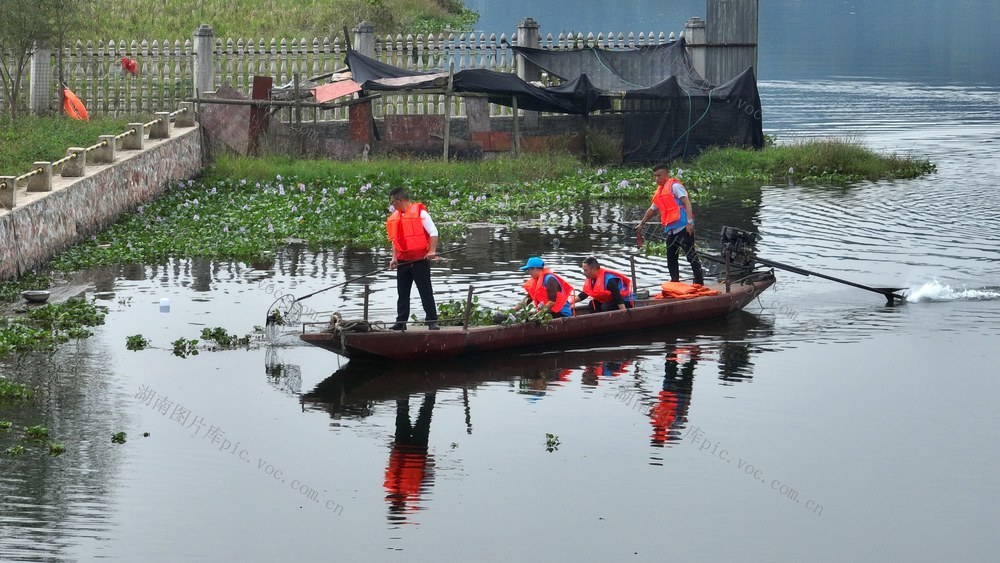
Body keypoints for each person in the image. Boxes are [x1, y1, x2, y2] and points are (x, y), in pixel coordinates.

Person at [637, 164, 705, 285]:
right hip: (671, 230)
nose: (656, 178)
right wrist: (642, 223)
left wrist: (690, 222)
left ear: (666, 175)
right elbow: (652, 210)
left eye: (659, 175)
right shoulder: (660, 192)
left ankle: (699, 282)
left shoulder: (675, 187)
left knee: (691, 255)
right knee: (671, 258)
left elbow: (687, 203)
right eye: (655, 176)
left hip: (683, 227)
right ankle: (675, 282)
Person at [386, 188, 439, 330]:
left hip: (419, 260)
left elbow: (434, 232)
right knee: (402, 293)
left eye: (392, 202)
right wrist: (394, 258)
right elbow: (395, 240)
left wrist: (432, 251)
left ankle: (432, 320)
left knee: (425, 290)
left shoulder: (421, 213)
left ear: (399, 200)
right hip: (403, 261)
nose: (392, 206)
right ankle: (401, 322)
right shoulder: (396, 217)